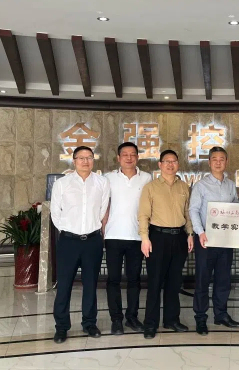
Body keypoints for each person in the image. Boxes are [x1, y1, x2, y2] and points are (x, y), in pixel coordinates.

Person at [50, 146, 110, 344]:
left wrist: (91, 229)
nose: (85, 161)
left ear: (93, 160)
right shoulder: (62, 183)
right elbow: (55, 212)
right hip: (68, 242)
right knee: (64, 285)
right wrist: (67, 230)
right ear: (74, 160)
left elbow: (102, 210)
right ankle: (61, 327)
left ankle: (89, 323)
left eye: (89, 157)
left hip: (92, 241)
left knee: (91, 284)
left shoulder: (102, 182)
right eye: (81, 158)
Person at [138, 149, 194, 339]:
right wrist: (145, 238)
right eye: (167, 161)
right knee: (155, 282)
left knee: (174, 282)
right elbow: (143, 215)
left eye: (174, 161)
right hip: (157, 238)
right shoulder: (150, 187)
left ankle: (171, 320)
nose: (170, 165)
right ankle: (150, 324)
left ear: (178, 164)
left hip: (179, 237)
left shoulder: (184, 187)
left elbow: (188, 214)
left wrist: (190, 234)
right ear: (160, 165)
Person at [189, 146, 239, 335]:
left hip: (225, 240)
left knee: (223, 279)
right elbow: (193, 210)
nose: (218, 162)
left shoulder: (230, 185)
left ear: (226, 162)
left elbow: (235, 206)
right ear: (209, 162)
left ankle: (221, 314)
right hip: (206, 240)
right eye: (214, 159)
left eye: (222, 159)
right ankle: (200, 317)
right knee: (202, 280)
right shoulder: (201, 186)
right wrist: (200, 232)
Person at [102, 142, 152, 334]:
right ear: (118, 158)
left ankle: (132, 317)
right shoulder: (108, 178)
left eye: (133, 154)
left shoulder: (146, 178)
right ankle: (116, 319)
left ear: (137, 157)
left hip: (137, 237)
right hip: (113, 235)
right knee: (113, 280)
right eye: (125, 154)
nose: (129, 158)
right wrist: (102, 231)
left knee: (134, 280)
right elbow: (104, 206)